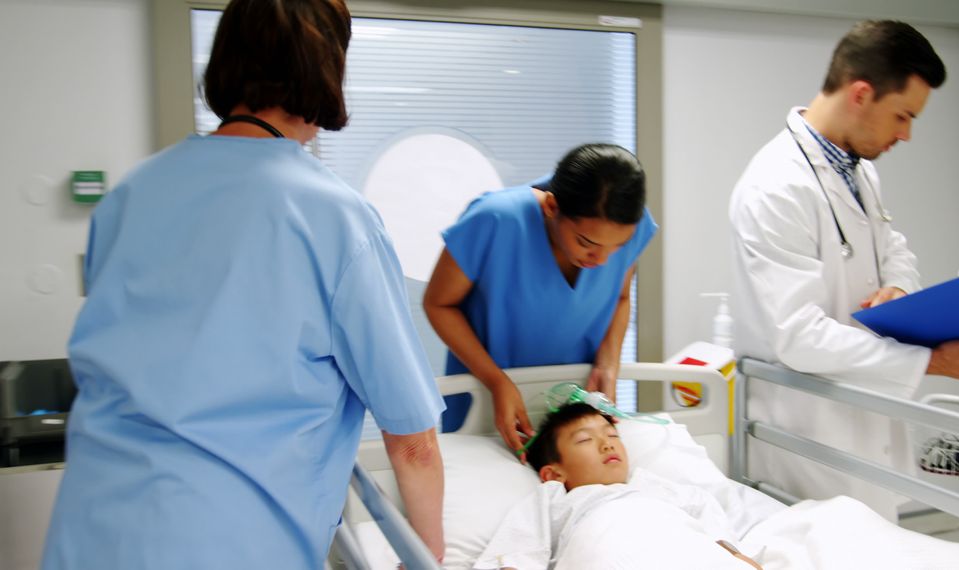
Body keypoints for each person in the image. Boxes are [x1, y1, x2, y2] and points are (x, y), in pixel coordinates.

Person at [42, 1, 446, 567]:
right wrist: (427, 556)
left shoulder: (131, 195)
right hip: (232, 544)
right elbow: (413, 441)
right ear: (327, 70)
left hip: (92, 530)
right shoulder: (334, 217)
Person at [728, 20, 959, 521]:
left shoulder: (861, 171)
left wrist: (898, 287)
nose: (906, 135)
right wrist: (931, 361)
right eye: (902, 116)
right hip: (807, 439)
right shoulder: (775, 186)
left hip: (864, 424)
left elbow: (897, 250)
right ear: (861, 93)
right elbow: (797, 335)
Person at [423, 143, 657, 456]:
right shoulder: (495, 220)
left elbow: (621, 297)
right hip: (489, 397)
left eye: (616, 247)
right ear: (551, 207)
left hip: (575, 400)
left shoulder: (628, 223)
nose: (601, 259)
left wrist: (609, 361)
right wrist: (496, 382)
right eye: (586, 242)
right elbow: (439, 304)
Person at [473, 403, 763, 570]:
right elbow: (520, 546)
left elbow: (704, 511)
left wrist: (734, 555)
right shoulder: (556, 499)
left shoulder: (649, 485)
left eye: (612, 434)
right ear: (554, 473)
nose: (607, 443)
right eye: (585, 439)